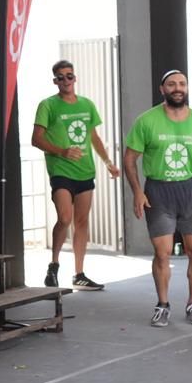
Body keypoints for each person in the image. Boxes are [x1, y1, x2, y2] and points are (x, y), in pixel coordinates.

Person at [122, 70, 192, 327]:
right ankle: (163, 304)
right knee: (162, 253)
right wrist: (137, 190)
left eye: (182, 83)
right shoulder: (147, 121)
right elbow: (129, 158)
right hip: (158, 191)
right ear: (162, 89)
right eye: (171, 84)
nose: (177, 88)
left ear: (187, 88)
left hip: (189, 191)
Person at [32, 60, 120, 290]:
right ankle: (54, 265)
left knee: (81, 222)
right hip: (61, 170)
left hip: (85, 171)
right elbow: (36, 139)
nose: (65, 80)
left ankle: (79, 274)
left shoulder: (87, 105)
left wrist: (108, 162)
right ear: (55, 81)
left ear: (75, 78)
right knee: (64, 218)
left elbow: (94, 137)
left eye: (69, 76)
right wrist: (62, 151)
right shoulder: (48, 106)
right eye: (60, 77)